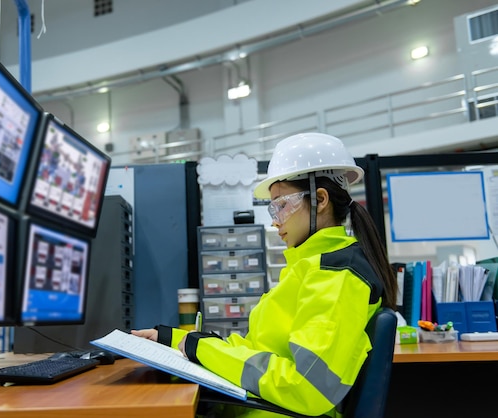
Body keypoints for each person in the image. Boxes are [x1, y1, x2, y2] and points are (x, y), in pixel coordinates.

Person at [132, 132, 398, 417]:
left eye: (282, 205)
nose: (274, 221)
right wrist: (174, 342)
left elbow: (308, 387)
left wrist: (204, 349)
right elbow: (258, 349)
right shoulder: (308, 267)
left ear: (320, 200)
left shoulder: (336, 276)